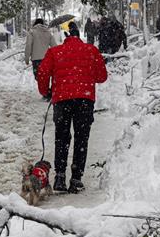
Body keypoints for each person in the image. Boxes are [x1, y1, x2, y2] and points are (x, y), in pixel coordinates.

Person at [36, 21, 108, 193]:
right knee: (81, 138)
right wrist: (86, 75)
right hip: (84, 99)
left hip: (62, 101)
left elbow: (43, 73)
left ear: (66, 38)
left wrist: (46, 91)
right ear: (80, 37)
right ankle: (76, 179)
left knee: (61, 137)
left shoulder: (55, 51)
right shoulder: (91, 51)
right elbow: (102, 76)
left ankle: (60, 176)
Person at [25, 18, 54, 82]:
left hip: (36, 60)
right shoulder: (48, 33)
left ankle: (44, 91)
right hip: (46, 60)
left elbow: (28, 45)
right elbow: (54, 46)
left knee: (39, 78)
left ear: (35, 24)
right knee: (46, 77)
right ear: (43, 24)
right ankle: (46, 91)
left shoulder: (32, 32)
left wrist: (27, 58)